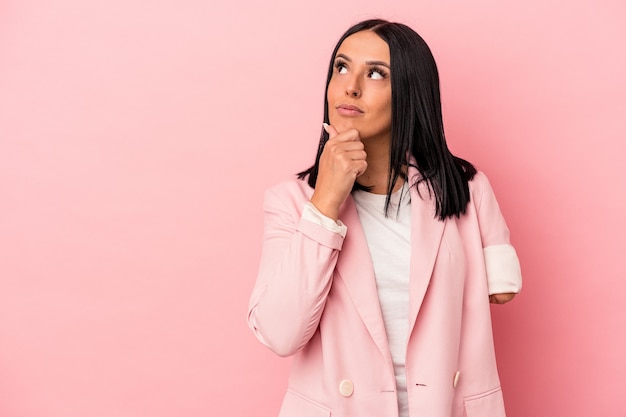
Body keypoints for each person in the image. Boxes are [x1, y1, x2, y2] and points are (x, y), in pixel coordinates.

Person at [247, 18, 522, 417]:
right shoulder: (290, 202)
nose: (350, 85)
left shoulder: (465, 188)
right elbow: (279, 334)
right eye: (341, 67)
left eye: (376, 73)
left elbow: (502, 289)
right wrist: (325, 202)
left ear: (411, 93)